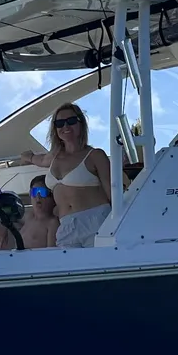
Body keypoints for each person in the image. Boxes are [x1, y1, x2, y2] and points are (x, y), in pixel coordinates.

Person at [20, 102, 111, 248]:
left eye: (71, 121)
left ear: (81, 124)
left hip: (96, 222)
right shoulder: (52, 157)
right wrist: (26, 157)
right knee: (69, 269)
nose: (65, 127)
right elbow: (38, 159)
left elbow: (112, 192)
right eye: (60, 123)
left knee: (97, 269)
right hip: (66, 226)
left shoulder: (95, 155)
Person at [20, 180, 59, 249]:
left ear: (53, 198)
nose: (38, 198)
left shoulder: (52, 223)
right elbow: (11, 217)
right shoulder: (28, 216)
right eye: (34, 192)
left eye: (42, 192)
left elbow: (52, 254)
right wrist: (2, 229)